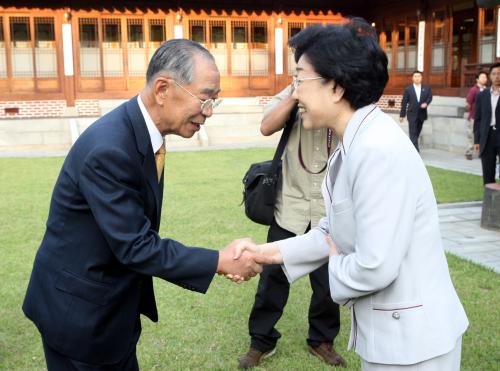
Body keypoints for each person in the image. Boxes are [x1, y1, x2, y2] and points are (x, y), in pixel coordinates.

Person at [234, 19, 468, 370]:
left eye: (301, 78)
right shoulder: (355, 143)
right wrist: (263, 253)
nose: (295, 91)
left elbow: (374, 267)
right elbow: (331, 232)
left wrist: (336, 259)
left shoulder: (376, 151)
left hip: (415, 346)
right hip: (393, 336)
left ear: (337, 87)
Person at [22, 39, 267, 370]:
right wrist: (220, 261)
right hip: (79, 316)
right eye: (205, 99)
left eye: (215, 101)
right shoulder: (110, 149)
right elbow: (136, 245)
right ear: (163, 89)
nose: (208, 112)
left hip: (110, 309)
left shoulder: (141, 132)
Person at [238, 84, 345, 369]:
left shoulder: (340, 93)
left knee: (327, 284)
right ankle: (261, 341)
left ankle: (321, 340)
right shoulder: (291, 93)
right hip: (290, 206)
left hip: (328, 208)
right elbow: (266, 126)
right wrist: (298, 93)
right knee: (272, 280)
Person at [474, 62, 500, 185]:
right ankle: (490, 201)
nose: (497, 76)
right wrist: (477, 140)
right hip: (487, 136)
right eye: (494, 74)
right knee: (488, 172)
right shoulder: (482, 95)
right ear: (490, 76)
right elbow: (478, 119)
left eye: (499, 74)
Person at [399, 70, 433, 152]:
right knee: (413, 131)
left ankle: (411, 144)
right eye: (415, 76)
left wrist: (426, 103)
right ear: (412, 78)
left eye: (419, 76)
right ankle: (415, 151)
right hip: (412, 114)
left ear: (421, 78)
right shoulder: (408, 89)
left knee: (417, 131)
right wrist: (402, 115)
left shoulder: (426, 88)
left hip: (422, 114)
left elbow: (430, 97)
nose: (417, 78)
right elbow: (404, 102)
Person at [465, 72, 488, 160]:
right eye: (482, 77)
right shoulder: (474, 90)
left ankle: (481, 152)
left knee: (483, 135)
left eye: (485, 77)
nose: (484, 79)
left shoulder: (488, 90)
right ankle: (469, 152)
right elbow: (468, 102)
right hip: (474, 117)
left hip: (485, 118)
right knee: (471, 135)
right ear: (477, 79)